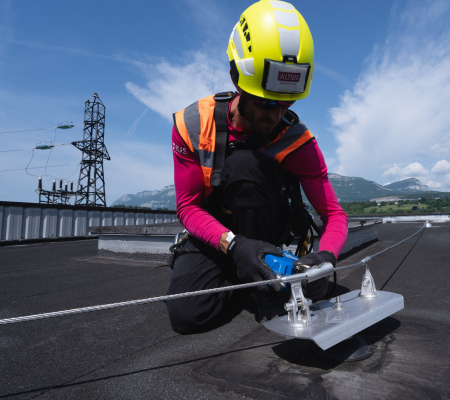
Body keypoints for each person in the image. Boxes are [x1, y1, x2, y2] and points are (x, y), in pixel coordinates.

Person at [166, 0, 348, 334]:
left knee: (247, 165)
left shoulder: (299, 141)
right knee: (187, 314)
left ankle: (265, 285)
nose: (275, 116)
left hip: (269, 231)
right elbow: (188, 207)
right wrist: (235, 246)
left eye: (286, 104)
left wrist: (325, 259)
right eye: (265, 103)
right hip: (217, 233)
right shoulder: (194, 126)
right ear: (238, 79)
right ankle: (251, 280)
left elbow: (335, 216)